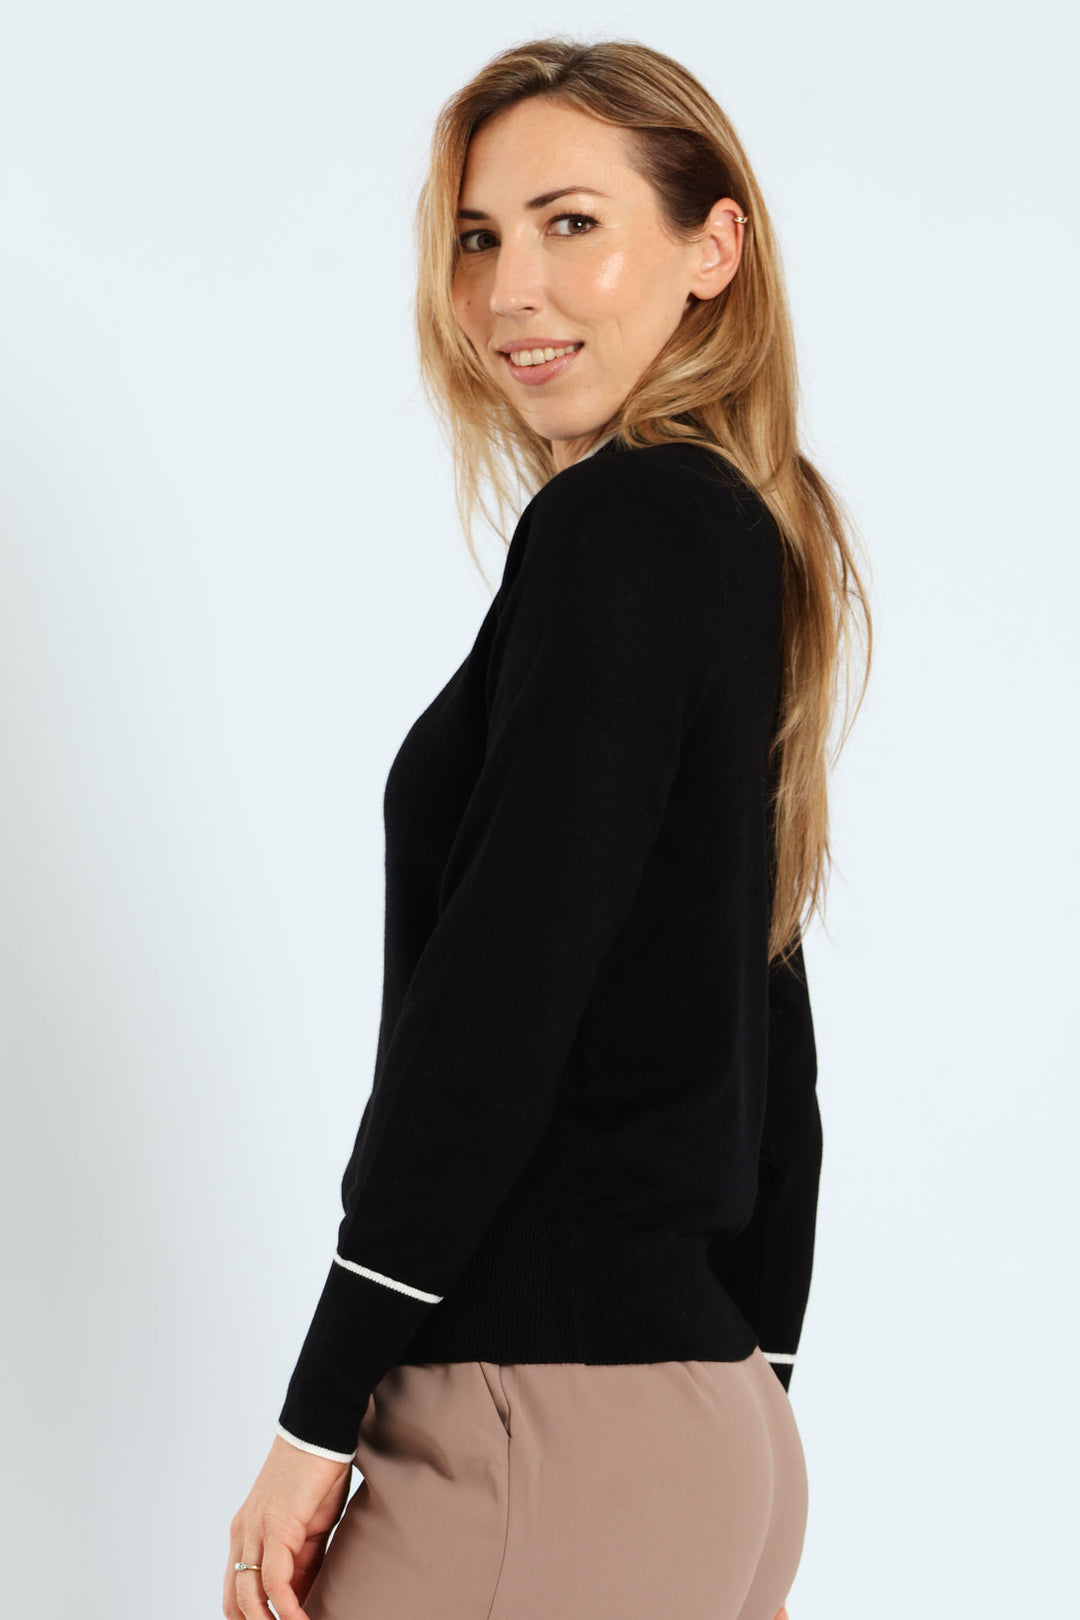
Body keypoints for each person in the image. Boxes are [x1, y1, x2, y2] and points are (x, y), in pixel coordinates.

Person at [223, 34, 871, 1620]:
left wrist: (319, 1410)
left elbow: (501, 996)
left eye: (571, 223)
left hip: (548, 1428)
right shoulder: (734, 534)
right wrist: (748, 1391)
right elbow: (771, 1030)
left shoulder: (623, 527)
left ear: (713, 247)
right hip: (698, 1422)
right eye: (478, 237)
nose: (512, 290)